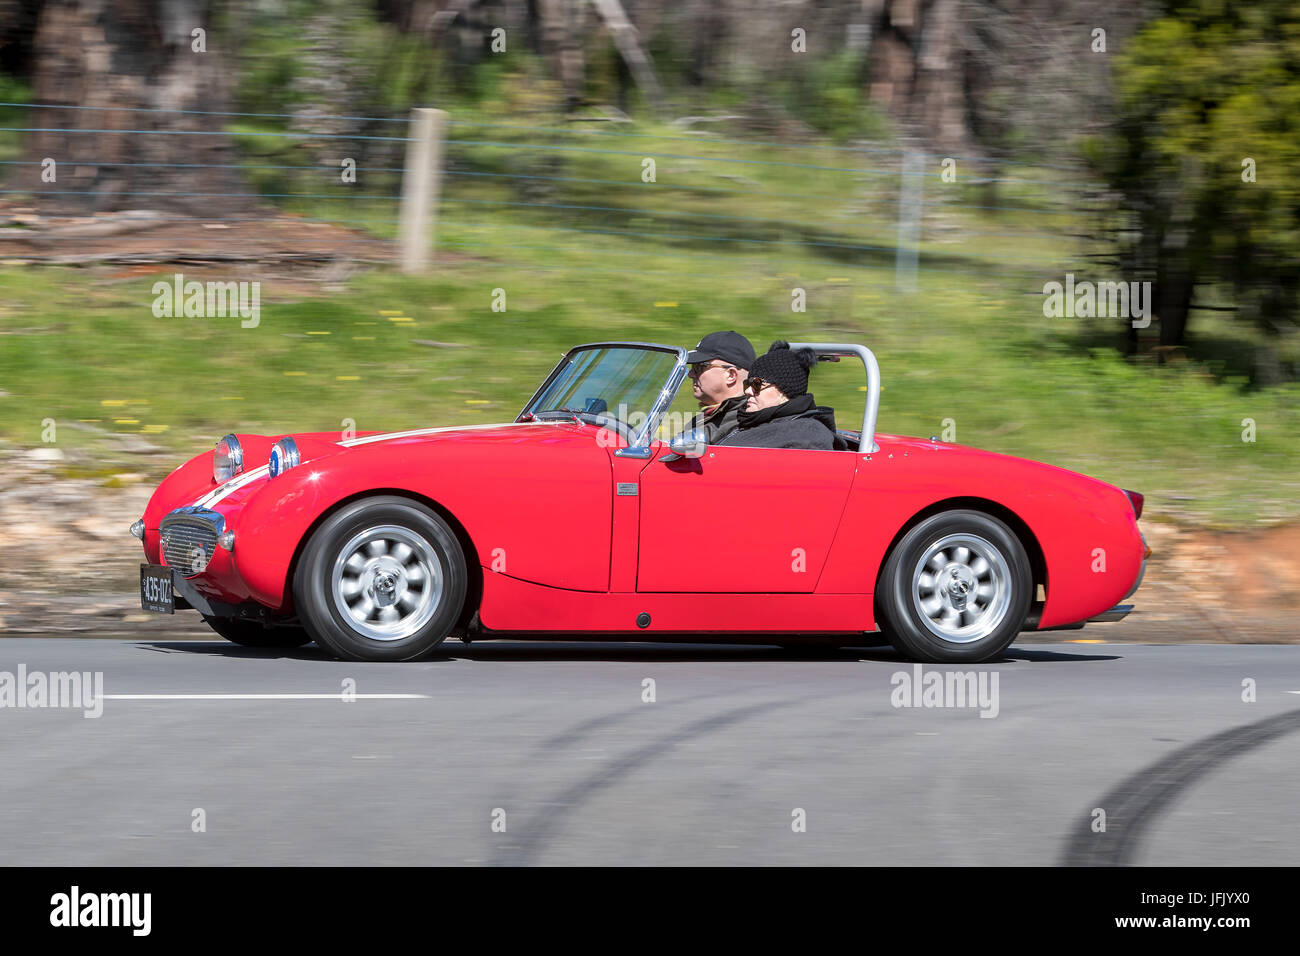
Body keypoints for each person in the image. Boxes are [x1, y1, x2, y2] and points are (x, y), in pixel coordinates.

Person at [715, 341, 837, 450]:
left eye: (756, 384)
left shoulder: (807, 434)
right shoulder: (747, 423)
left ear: (785, 392)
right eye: (748, 384)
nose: (748, 391)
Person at [681, 330, 755, 444]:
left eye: (699, 367)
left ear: (731, 375)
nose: (690, 374)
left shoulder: (743, 422)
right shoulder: (706, 418)